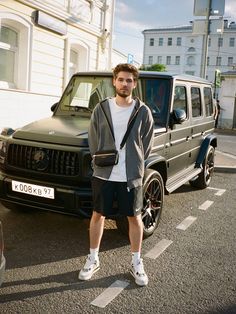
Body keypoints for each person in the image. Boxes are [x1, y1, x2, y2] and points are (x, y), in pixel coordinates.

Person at [78, 63, 154, 286]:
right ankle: (93, 258)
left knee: (134, 217)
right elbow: (92, 139)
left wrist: (134, 161)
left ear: (134, 83)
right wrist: (100, 159)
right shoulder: (101, 109)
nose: (124, 83)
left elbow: (146, 145)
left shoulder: (143, 111)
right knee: (97, 215)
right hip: (104, 173)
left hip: (131, 176)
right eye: (121, 79)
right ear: (114, 81)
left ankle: (136, 262)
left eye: (129, 80)